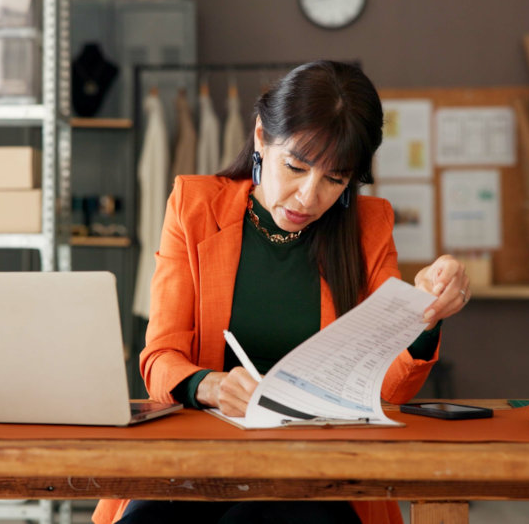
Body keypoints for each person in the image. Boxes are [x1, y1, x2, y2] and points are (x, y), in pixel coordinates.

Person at [93, 60, 470, 524]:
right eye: (295, 166)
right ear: (259, 138)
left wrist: (425, 315)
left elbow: (392, 387)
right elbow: (159, 360)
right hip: (198, 458)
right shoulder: (194, 206)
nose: (308, 197)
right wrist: (211, 386)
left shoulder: (368, 228)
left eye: (335, 179)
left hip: (321, 471)